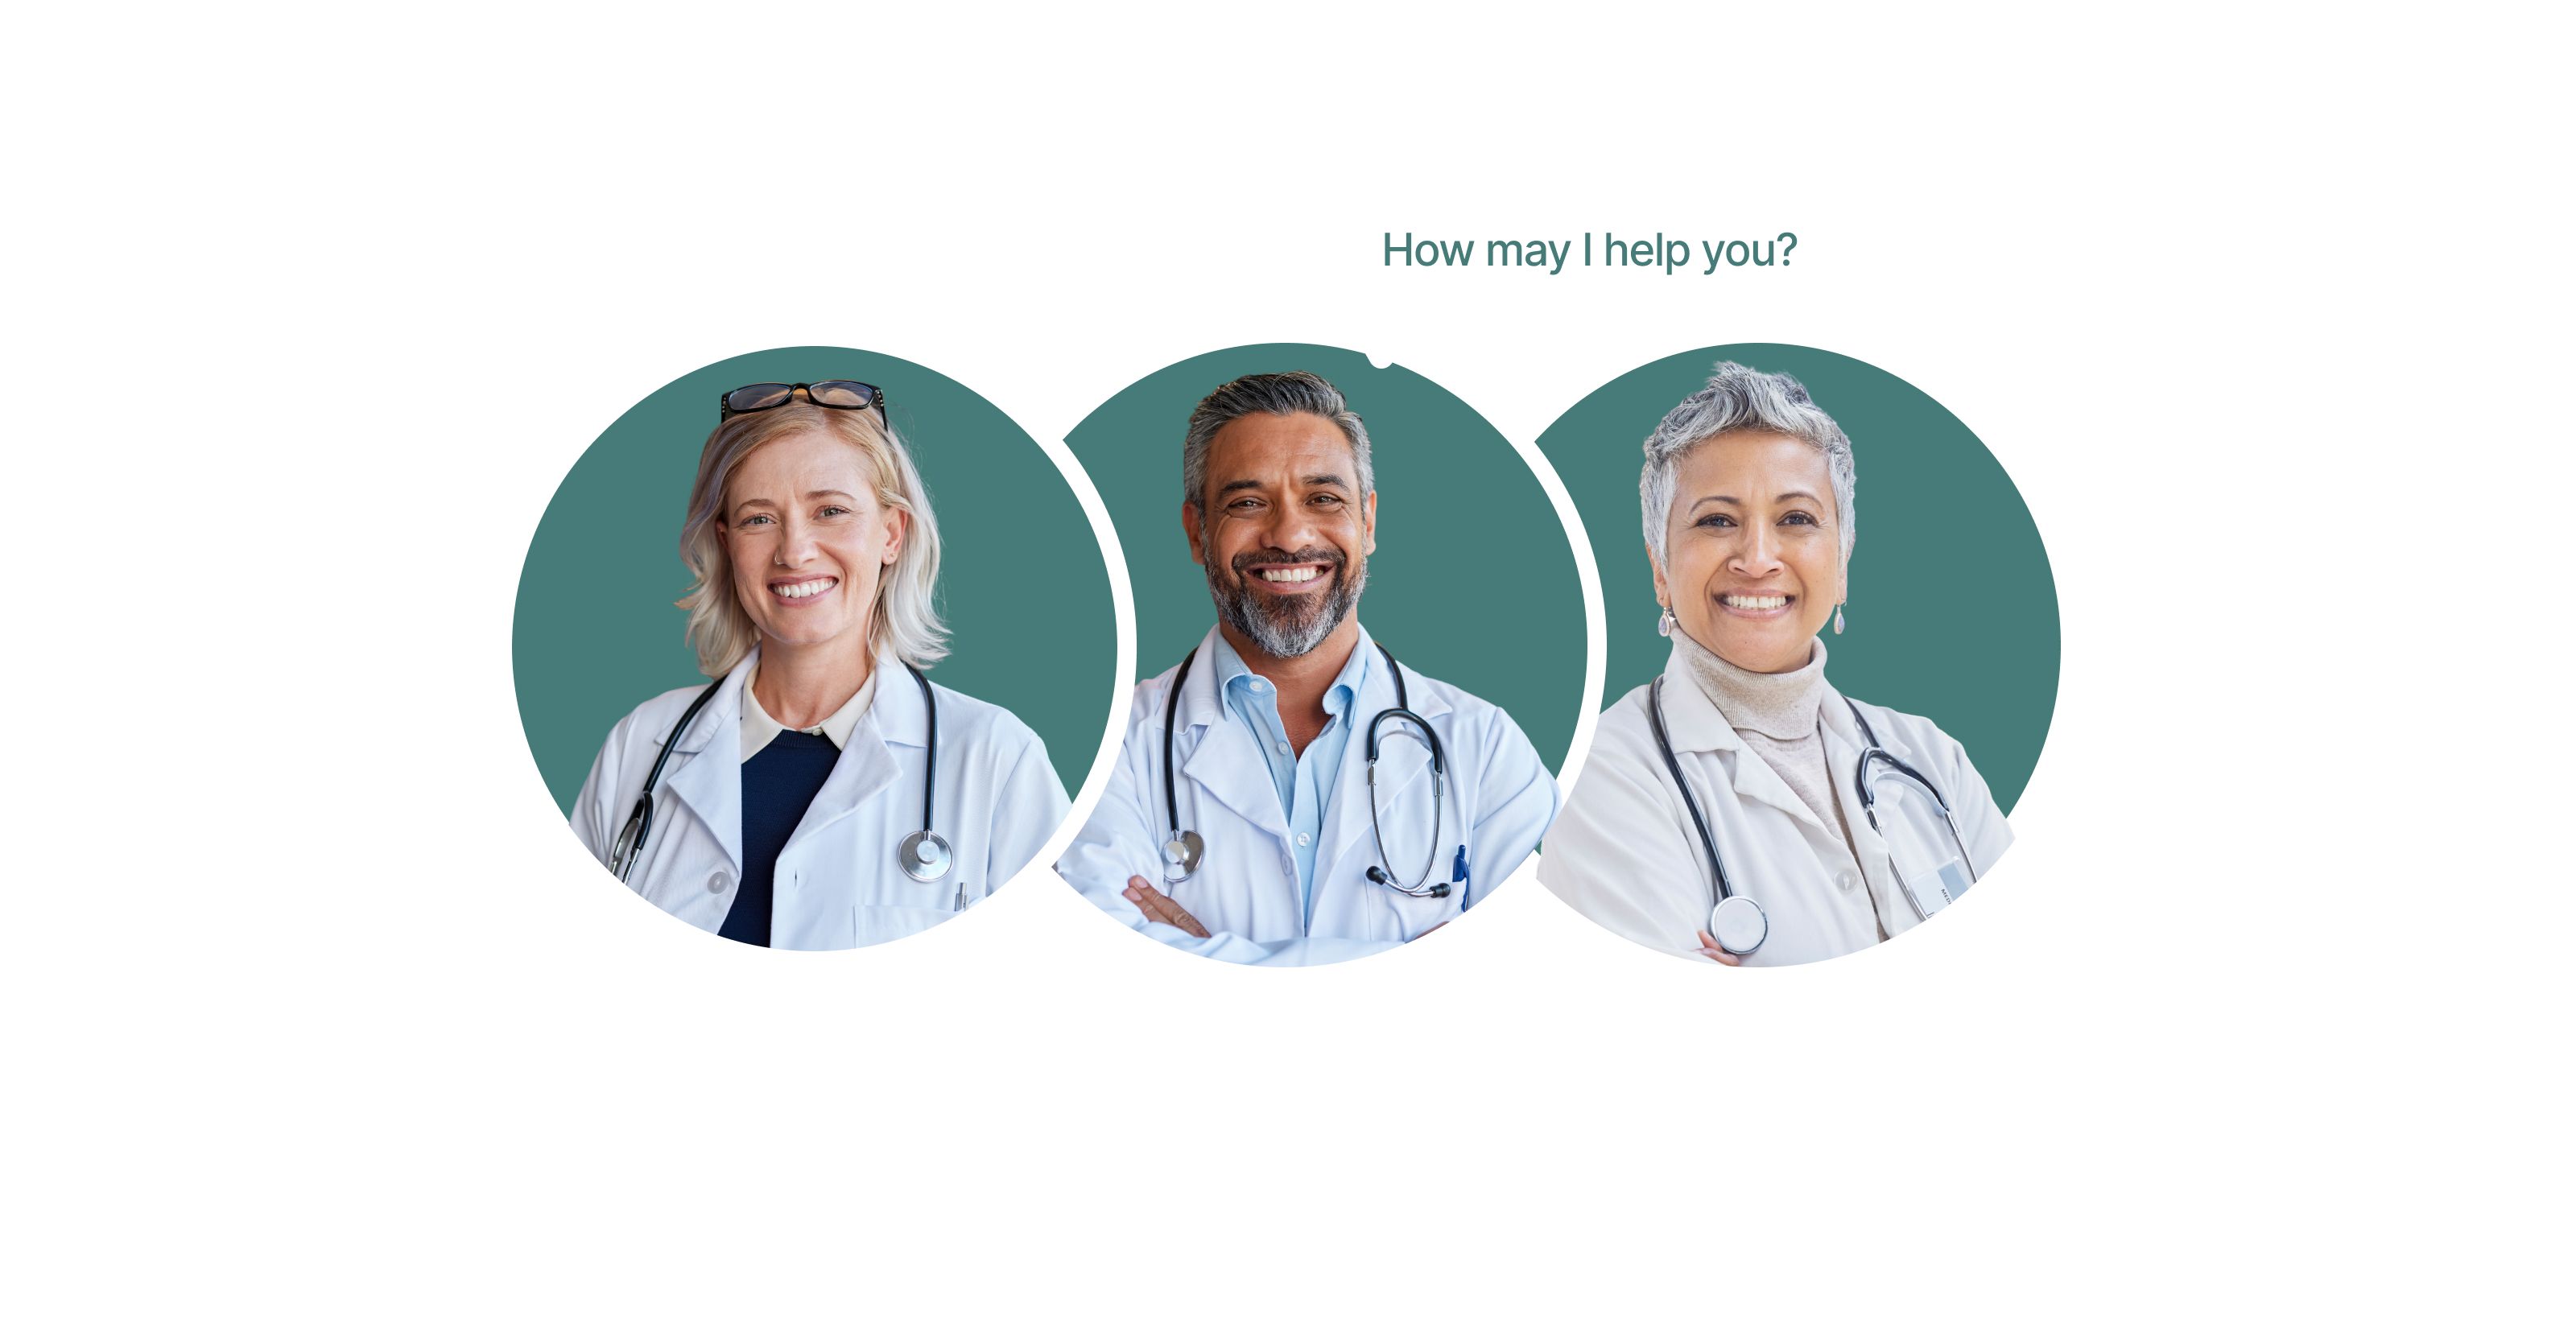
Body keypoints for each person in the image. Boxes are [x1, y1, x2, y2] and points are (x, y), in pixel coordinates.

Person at [1055, 372, 1556, 965]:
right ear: (1197, 532)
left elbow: (1545, 963)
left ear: (1368, 522)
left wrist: (1201, 959)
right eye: (1247, 502)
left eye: (1323, 499)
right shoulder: (1112, 749)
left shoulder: (1485, 747)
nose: (1290, 537)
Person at [1538, 362, 2013, 966]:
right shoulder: (1602, 773)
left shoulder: (1931, 759)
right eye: (1716, 521)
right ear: (1660, 569)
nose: (1758, 559)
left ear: (1841, 563)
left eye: (1796, 519)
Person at [571, 381, 1069, 950]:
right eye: (759, 519)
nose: (794, 551)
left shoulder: (997, 761)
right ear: (726, 541)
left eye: (830, 510)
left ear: (891, 533)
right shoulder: (641, 746)